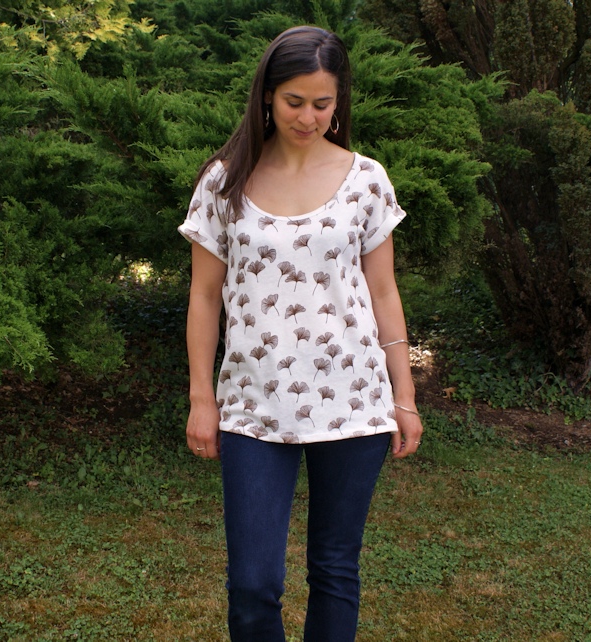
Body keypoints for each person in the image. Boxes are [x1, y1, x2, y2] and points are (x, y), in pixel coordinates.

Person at [178, 24, 424, 642]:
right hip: (252, 405)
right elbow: (204, 297)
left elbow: (384, 292)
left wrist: (404, 395)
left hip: (354, 401)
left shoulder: (366, 179)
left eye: (322, 103)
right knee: (252, 584)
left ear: (339, 102)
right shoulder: (224, 181)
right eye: (294, 101)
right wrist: (202, 399)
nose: (308, 117)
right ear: (267, 94)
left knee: (335, 569)